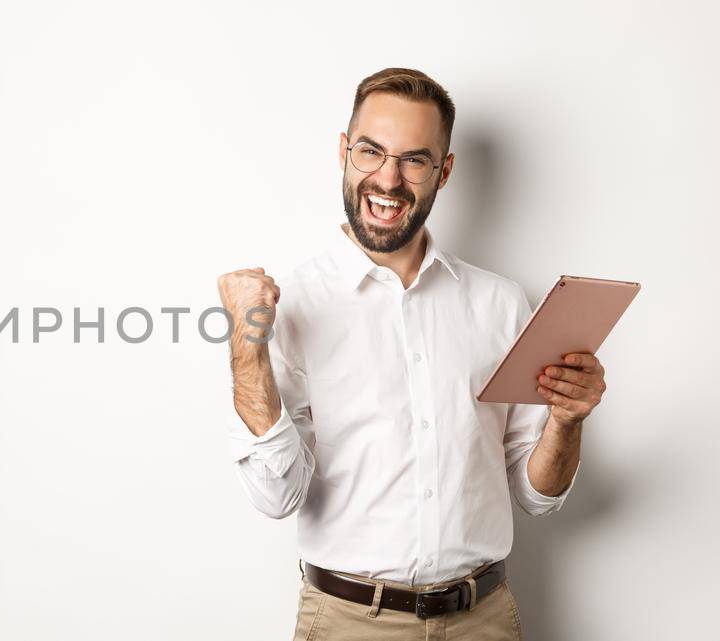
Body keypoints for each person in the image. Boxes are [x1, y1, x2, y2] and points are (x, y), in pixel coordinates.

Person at [217, 68, 603, 641]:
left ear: (443, 172)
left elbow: (534, 495)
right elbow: (277, 497)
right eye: (371, 152)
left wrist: (567, 422)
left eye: (414, 160)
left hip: (484, 621)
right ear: (344, 152)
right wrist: (245, 350)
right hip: (350, 625)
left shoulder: (500, 304)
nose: (388, 179)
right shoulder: (289, 305)